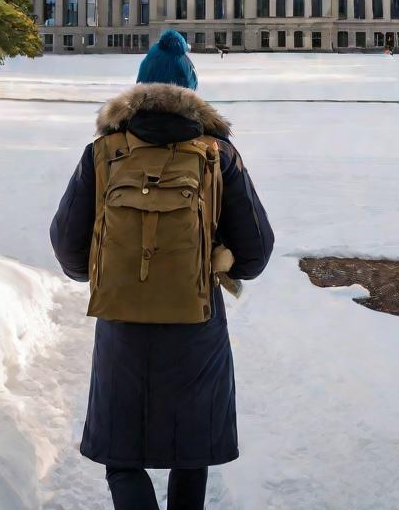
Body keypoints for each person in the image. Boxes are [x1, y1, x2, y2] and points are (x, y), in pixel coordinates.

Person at [50, 30, 274, 510]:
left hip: (122, 320)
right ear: (191, 93)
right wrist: (223, 257)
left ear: (138, 90)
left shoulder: (104, 151)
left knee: (122, 453)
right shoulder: (218, 153)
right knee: (190, 451)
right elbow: (257, 251)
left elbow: (67, 244)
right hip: (196, 323)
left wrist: (111, 265)